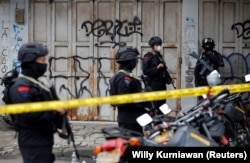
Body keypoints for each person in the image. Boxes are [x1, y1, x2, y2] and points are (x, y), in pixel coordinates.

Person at [7, 42, 68, 163]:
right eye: (42, 60)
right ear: (31, 62)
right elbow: (28, 114)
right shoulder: (21, 87)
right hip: (33, 140)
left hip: (42, 138)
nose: (44, 64)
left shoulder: (36, 83)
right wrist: (55, 110)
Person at [109, 46, 148, 135]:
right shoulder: (124, 78)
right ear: (129, 61)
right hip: (129, 120)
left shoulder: (124, 76)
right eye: (134, 60)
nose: (136, 62)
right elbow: (125, 100)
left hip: (132, 118)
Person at [142, 36, 174, 114]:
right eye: (156, 45)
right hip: (153, 85)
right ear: (152, 46)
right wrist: (156, 68)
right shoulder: (147, 57)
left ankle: (161, 122)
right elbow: (145, 71)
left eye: (159, 45)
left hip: (161, 85)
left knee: (162, 106)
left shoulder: (160, 56)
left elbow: (164, 70)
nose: (158, 46)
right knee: (153, 107)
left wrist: (169, 80)